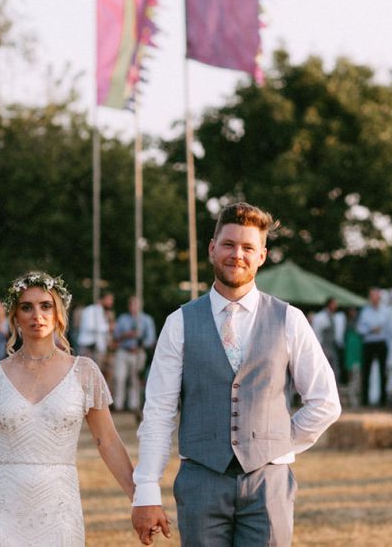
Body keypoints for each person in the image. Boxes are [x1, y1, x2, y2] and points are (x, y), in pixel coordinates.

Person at [132, 202, 341, 546]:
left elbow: (326, 402)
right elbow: (159, 413)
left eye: (248, 247)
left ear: (262, 255)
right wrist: (146, 491)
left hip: (268, 483)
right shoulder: (179, 322)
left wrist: (279, 442)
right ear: (212, 248)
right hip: (200, 480)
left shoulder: (289, 319)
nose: (237, 255)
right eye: (228, 245)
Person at [0, 271, 134, 545]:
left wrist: (140, 498)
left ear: (58, 313)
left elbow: (107, 440)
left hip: (58, 504)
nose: (37, 314)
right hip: (3, 503)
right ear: (15, 316)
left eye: (45, 305)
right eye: (27, 307)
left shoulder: (84, 371)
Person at [113, 296, 157, 413]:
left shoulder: (147, 320)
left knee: (135, 379)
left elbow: (151, 338)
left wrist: (141, 344)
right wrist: (126, 335)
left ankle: (133, 405)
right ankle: (118, 405)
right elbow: (115, 336)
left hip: (138, 352)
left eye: (136, 305)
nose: (133, 307)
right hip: (123, 351)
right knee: (119, 377)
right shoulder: (122, 319)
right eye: (132, 305)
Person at [357, 288, 391, 406]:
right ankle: (365, 400)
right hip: (369, 343)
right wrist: (371, 330)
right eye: (373, 297)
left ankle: (383, 400)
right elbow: (360, 329)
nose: (375, 299)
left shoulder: (386, 311)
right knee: (366, 372)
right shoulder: (365, 312)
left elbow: (389, 329)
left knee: (383, 372)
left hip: (381, 343)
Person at [77, 291, 114, 370]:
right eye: (109, 299)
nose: (111, 302)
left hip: (98, 348)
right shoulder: (90, 310)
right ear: (102, 299)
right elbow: (89, 326)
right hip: (88, 347)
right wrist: (108, 327)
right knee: (85, 372)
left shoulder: (105, 312)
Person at [311, 297, 343, 382]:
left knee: (335, 370)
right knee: (324, 370)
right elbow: (316, 333)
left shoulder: (337, 317)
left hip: (333, 347)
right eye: (334, 304)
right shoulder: (320, 317)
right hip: (324, 346)